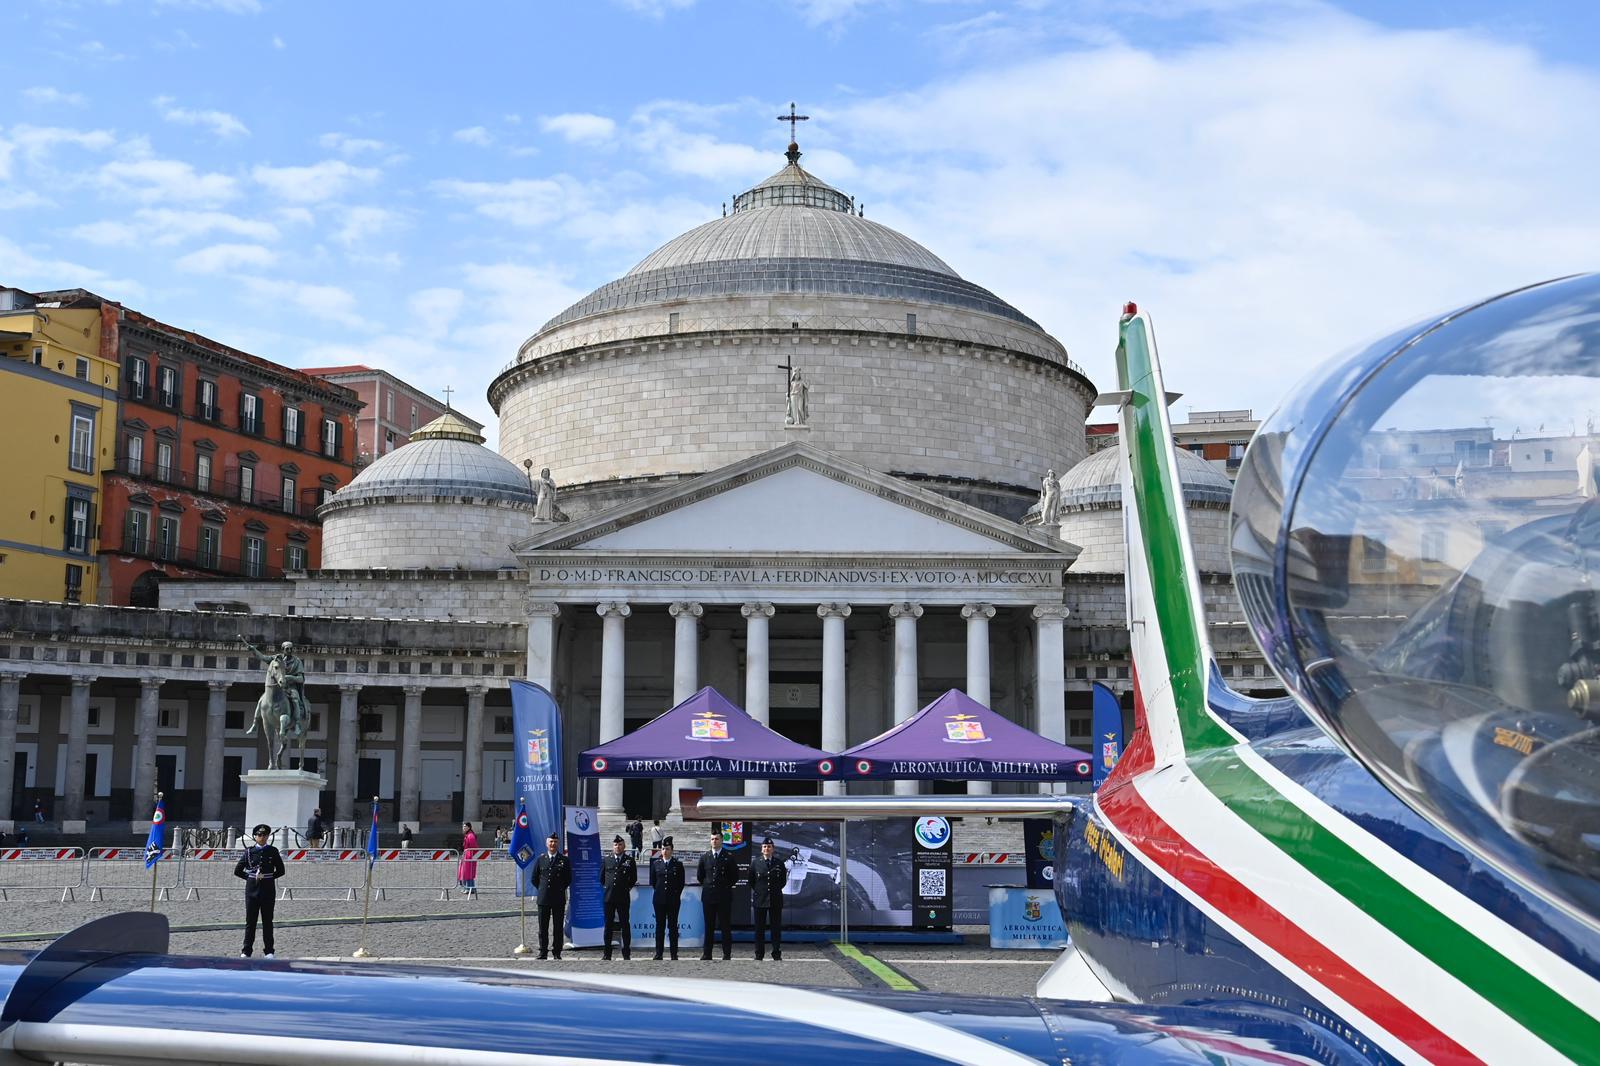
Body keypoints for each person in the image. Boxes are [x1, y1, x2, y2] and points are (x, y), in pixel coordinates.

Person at [235, 823, 285, 958]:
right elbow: (238, 871)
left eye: (265, 835)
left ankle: (269, 951)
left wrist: (268, 877)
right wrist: (251, 877)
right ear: (255, 837)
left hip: (268, 889)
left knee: (268, 921)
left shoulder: (272, 851)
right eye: (259, 835)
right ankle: (246, 951)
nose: (262, 837)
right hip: (252, 890)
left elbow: (281, 871)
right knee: (250, 922)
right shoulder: (249, 852)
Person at [696, 827, 738, 961]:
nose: (714, 841)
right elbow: (700, 876)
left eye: (717, 839)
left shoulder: (728, 857)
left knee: (725, 925)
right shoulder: (705, 857)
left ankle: (727, 953)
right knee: (709, 926)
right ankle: (707, 953)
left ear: (722, 840)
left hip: (724, 896)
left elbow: (734, 877)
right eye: (712, 839)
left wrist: (724, 887)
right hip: (708, 896)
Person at [530, 832, 571, 960]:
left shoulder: (564, 860)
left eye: (555, 842)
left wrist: (558, 888)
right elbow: (534, 878)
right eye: (551, 842)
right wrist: (542, 889)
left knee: (558, 927)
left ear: (558, 844)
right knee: (543, 927)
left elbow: (568, 879)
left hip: (558, 898)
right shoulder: (541, 860)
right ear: (547, 844)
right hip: (543, 898)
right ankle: (543, 952)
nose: (553, 844)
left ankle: (557, 952)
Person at [748, 838, 788, 961]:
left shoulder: (779, 863)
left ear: (773, 849)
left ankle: (776, 953)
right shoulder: (755, 863)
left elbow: (782, 881)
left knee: (775, 929)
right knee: (759, 929)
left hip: (775, 900)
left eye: (769, 847)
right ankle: (759, 954)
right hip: (760, 900)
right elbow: (752, 881)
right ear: (761, 849)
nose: (767, 849)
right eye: (764, 847)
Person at [601, 834, 637, 961]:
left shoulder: (629, 860)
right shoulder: (606, 860)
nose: (617, 847)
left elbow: (633, 879)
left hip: (622, 898)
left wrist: (625, 888)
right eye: (615, 844)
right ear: (613, 846)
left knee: (624, 925)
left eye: (620, 844)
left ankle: (626, 953)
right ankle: (607, 953)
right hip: (609, 898)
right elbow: (601, 878)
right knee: (608, 925)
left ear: (624, 846)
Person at [650, 836, 685, 961]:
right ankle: (658, 953)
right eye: (663, 848)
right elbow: (653, 882)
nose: (665, 851)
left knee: (673, 927)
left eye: (667, 849)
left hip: (673, 900)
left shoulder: (678, 865)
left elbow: (681, 883)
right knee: (660, 926)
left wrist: (675, 895)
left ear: (672, 850)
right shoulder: (656, 864)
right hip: (659, 900)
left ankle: (673, 953)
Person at [457, 821, 478, 898]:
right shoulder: (468, 835)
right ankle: (467, 887)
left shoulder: (470, 836)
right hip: (467, 855)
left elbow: (474, 847)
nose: (464, 828)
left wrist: (472, 855)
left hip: (469, 856)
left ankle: (470, 888)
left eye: (465, 826)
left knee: (468, 872)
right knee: (465, 872)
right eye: (463, 826)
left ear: (469, 827)